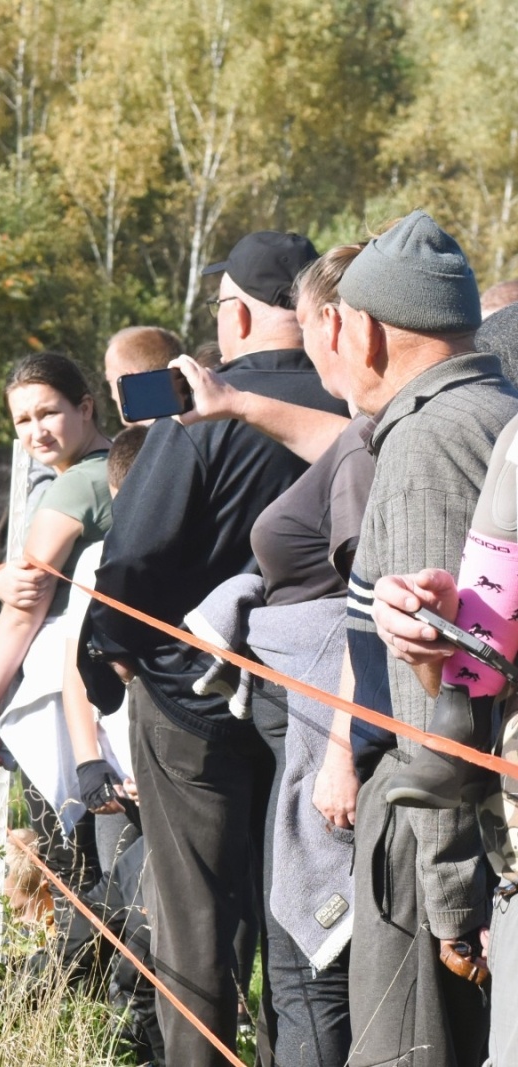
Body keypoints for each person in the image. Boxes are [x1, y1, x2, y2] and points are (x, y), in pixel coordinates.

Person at [76, 229, 348, 1067]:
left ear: (237, 316)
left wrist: (107, 660)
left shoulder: (198, 414)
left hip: (188, 696)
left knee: (195, 924)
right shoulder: (352, 405)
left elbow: (132, 555)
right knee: (293, 916)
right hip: (317, 694)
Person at [315, 210, 516, 1067]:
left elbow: (444, 695)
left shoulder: (429, 440)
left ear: (364, 330)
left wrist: (449, 896)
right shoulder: (495, 409)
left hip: (456, 836)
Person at [173, 243, 371, 1067]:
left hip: (331, 727)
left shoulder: (383, 441)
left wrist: (340, 751)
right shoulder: (374, 432)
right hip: (307, 718)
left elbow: (373, 598)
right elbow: (354, 440)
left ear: (339, 326)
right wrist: (239, 405)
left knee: (305, 971)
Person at [0, 352, 113, 905]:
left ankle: (70, 974)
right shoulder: (120, 466)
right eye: (22, 421)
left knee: (66, 845)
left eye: (48, 413)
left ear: (85, 407)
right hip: (108, 677)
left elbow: (27, 604)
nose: (35, 431)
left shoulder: (77, 486)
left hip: (66, 686)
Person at [103, 326, 186, 427]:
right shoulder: (202, 426)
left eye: (111, 381)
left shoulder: (155, 441)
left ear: (130, 383)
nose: (112, 396)